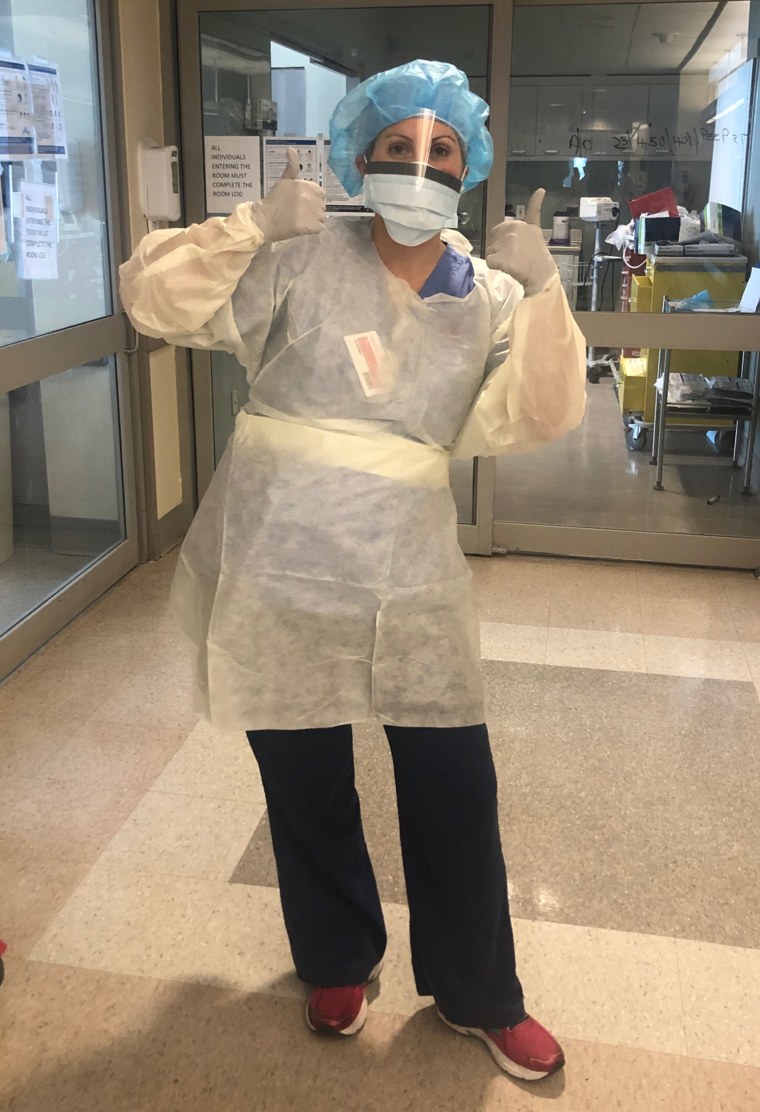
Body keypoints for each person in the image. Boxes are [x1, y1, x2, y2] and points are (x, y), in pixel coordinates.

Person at [120, 59, 586, 1083]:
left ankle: (479, 992)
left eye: (442, 151)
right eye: (398, 148)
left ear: (467, 169)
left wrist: (546, 293)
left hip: (407, 569)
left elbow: (542, 411)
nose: (419, 165)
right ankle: (334, 958)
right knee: (302, 774)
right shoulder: (294, 258)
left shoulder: (486, 290)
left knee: (453, 779)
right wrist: (246, 225)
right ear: (356, 157)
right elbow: (152, 297)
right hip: (279, 557)